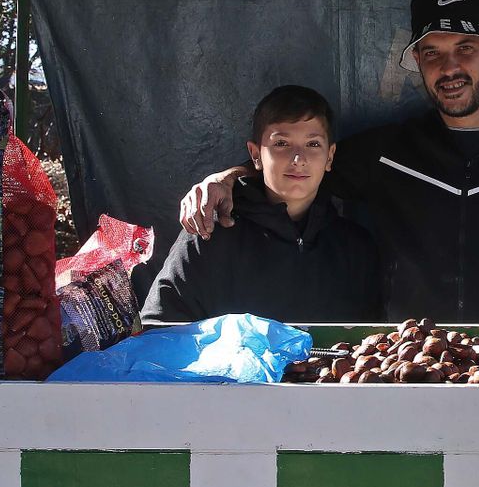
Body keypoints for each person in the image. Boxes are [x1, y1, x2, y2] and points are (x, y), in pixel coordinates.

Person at [179, 0, 479, 323]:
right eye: (433, 52)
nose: (450, 68)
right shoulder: (389, 152)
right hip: (413, 368)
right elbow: (297, 167)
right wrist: (227, 179)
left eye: (465, 47)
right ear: (416, 61)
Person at [142, 85, 381, 326]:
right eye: (281, 144)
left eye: (313, 144)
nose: (298, 159)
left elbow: (373, 345)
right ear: (255, 155)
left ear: (330, 157)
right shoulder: (210, 235)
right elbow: (158, 328)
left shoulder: (356, 250)